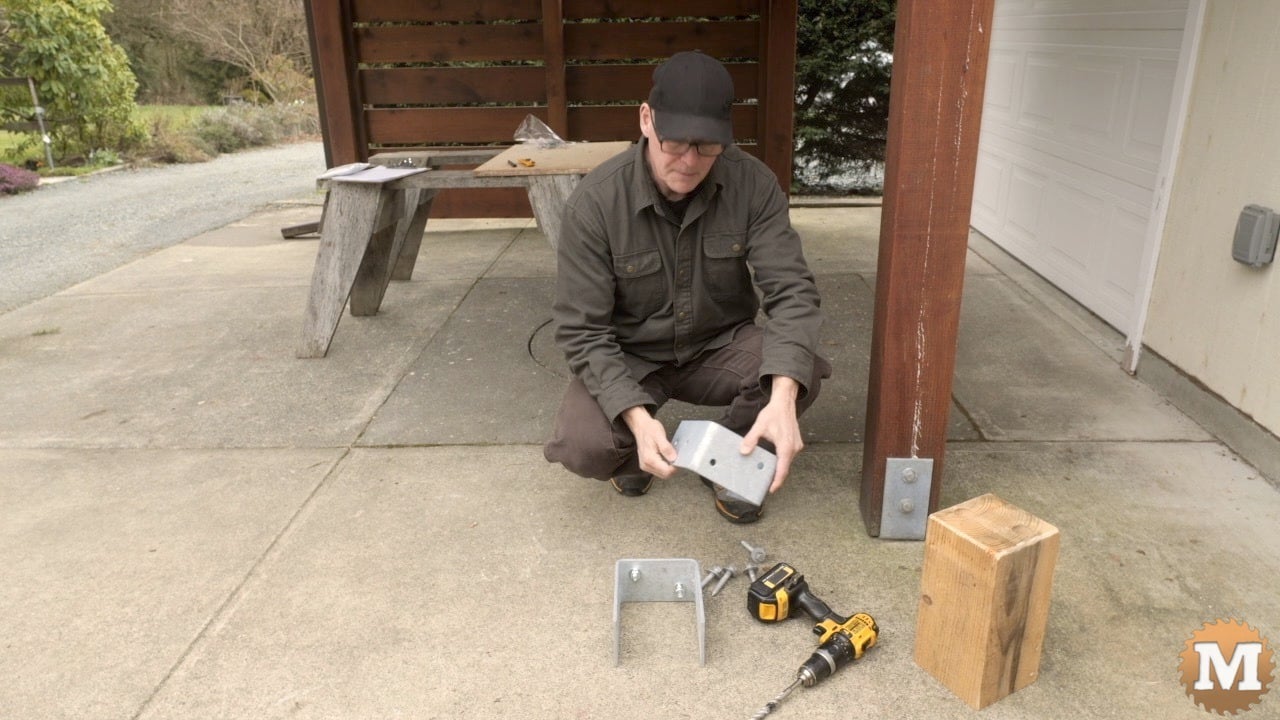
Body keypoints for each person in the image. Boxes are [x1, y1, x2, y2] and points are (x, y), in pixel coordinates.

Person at [543, 50, 830, 524]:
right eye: (675, 142)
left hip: (717, 346)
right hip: (630, 354)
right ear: (646, 119)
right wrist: (633, 415)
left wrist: (782, 398)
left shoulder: (753, 185)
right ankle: (636, 448)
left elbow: (793, 293)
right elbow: (582, 331)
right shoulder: (595, 203)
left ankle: (729, 458)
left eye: (708, 146)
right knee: (585, 447)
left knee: (801, 371)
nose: (690, 161)